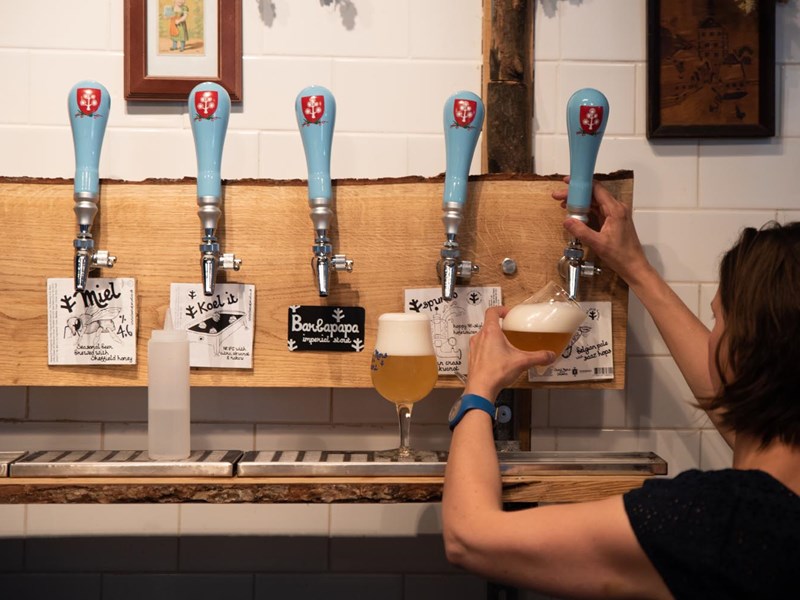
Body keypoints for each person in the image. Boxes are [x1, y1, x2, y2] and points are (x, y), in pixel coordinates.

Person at [442, 180, 800, 598]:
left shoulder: (722, 521)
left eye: (717, 320)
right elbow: (744, 413)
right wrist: (636, 269)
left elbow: (470, 538)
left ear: (747, 349)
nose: (710, 337)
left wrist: (480, 390)